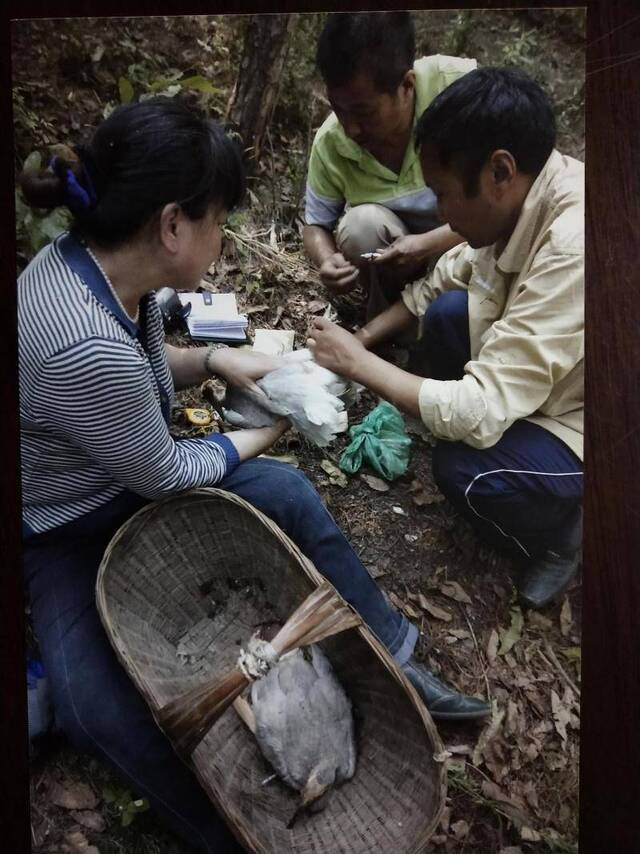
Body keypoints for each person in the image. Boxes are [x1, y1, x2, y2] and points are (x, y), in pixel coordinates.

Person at [18, 98, 490, 854]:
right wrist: (269, 429)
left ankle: (394, 654)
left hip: (125, 466)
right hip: (68, 525)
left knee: (287, 496)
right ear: (173, 226)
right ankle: (234, 834)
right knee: (90, 709)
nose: (223, 237)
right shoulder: (80, 343)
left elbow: (141, 372)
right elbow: (167, 471)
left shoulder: (93, 272)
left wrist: (213, 358)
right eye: (217, 220)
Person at [308, 68, 584, 611]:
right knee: (448, 312)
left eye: (444, 195)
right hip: (539, 377)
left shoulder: (572, 246)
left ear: (499, 171)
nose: (441, 214)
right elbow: (440, 280)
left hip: (580, 419)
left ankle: (564, 535)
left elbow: (477, 412)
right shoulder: (520, 200)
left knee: (464, 469)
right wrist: (359, 339)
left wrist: (360, 366)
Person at [303, 11, 476, 322]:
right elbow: (316, 224)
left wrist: (427, 244)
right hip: (400, 266)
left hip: (470, 248)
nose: (351, 128)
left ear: (407, 85)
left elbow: (509, 200)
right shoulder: (331, 141)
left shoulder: (460, 90)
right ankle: (393, 331)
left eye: (363, 112)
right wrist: (327, 260)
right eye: (338, 109)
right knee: (361, 227)